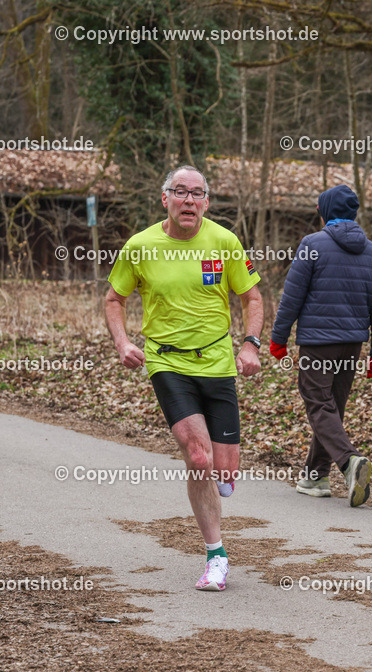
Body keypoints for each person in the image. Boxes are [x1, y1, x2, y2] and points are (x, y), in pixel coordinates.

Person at [104, 165, 263, 591]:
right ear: (165, 199)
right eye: (180, 192)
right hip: (167, 362)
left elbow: (251, 296)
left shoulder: (225, 242)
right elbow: (114, 299)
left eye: (197, 193)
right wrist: (122, 343)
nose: (188, 200)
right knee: (197, 456)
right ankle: (216, 556)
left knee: (225, 471)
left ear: (207, 202)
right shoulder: (140, 246)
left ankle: (219, 478)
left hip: (216, 362)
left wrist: (250, 344)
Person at [269, 184, 372, 507]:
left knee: (319, 405)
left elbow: (291, 297)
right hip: (352, 345)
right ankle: (315, 476)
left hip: (317, 343)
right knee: (331, 408)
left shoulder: (312, 244)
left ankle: (349, 462)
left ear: (323, 212)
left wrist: (278, 339)